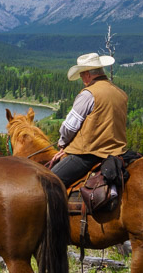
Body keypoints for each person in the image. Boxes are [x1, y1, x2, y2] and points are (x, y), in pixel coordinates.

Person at [50, 52, 128, 186]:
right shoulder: (121, 93)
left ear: (87, 74)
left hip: (88, 155)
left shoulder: (88, 94)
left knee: (50, 181)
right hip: (117, 153)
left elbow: (69, 127)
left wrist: (62, 143)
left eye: (81, 75)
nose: (82, 79)